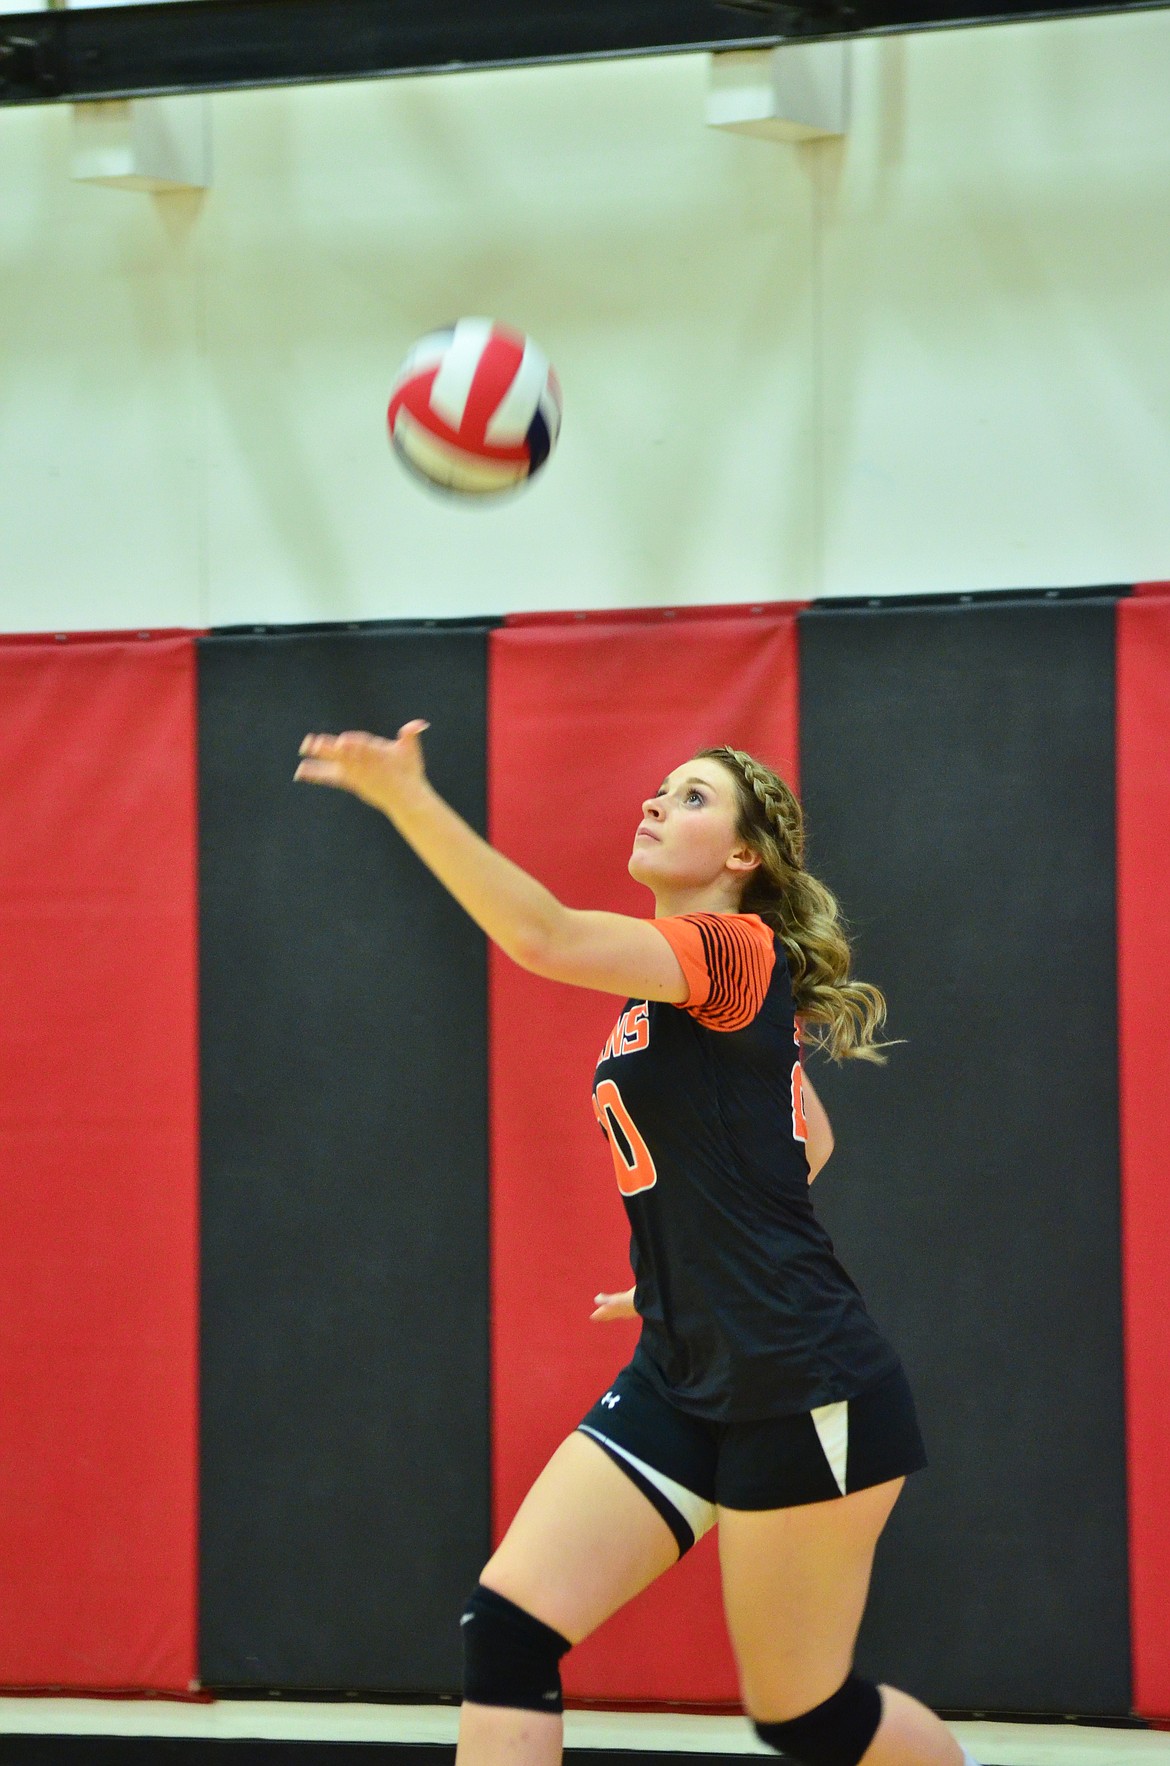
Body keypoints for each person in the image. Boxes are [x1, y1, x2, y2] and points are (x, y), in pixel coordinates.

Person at [294, 719, 978, 1766]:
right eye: (659, 789)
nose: (657, 803)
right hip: (684, 1363)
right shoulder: (674, 984)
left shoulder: (732, 947)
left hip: (802, 1376)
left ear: (744, 857)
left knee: (807, 1714)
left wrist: (406, 799)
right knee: (509, 1626)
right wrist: (688, 1266)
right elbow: (811, 1132)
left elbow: (544, 938)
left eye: (693, 797)